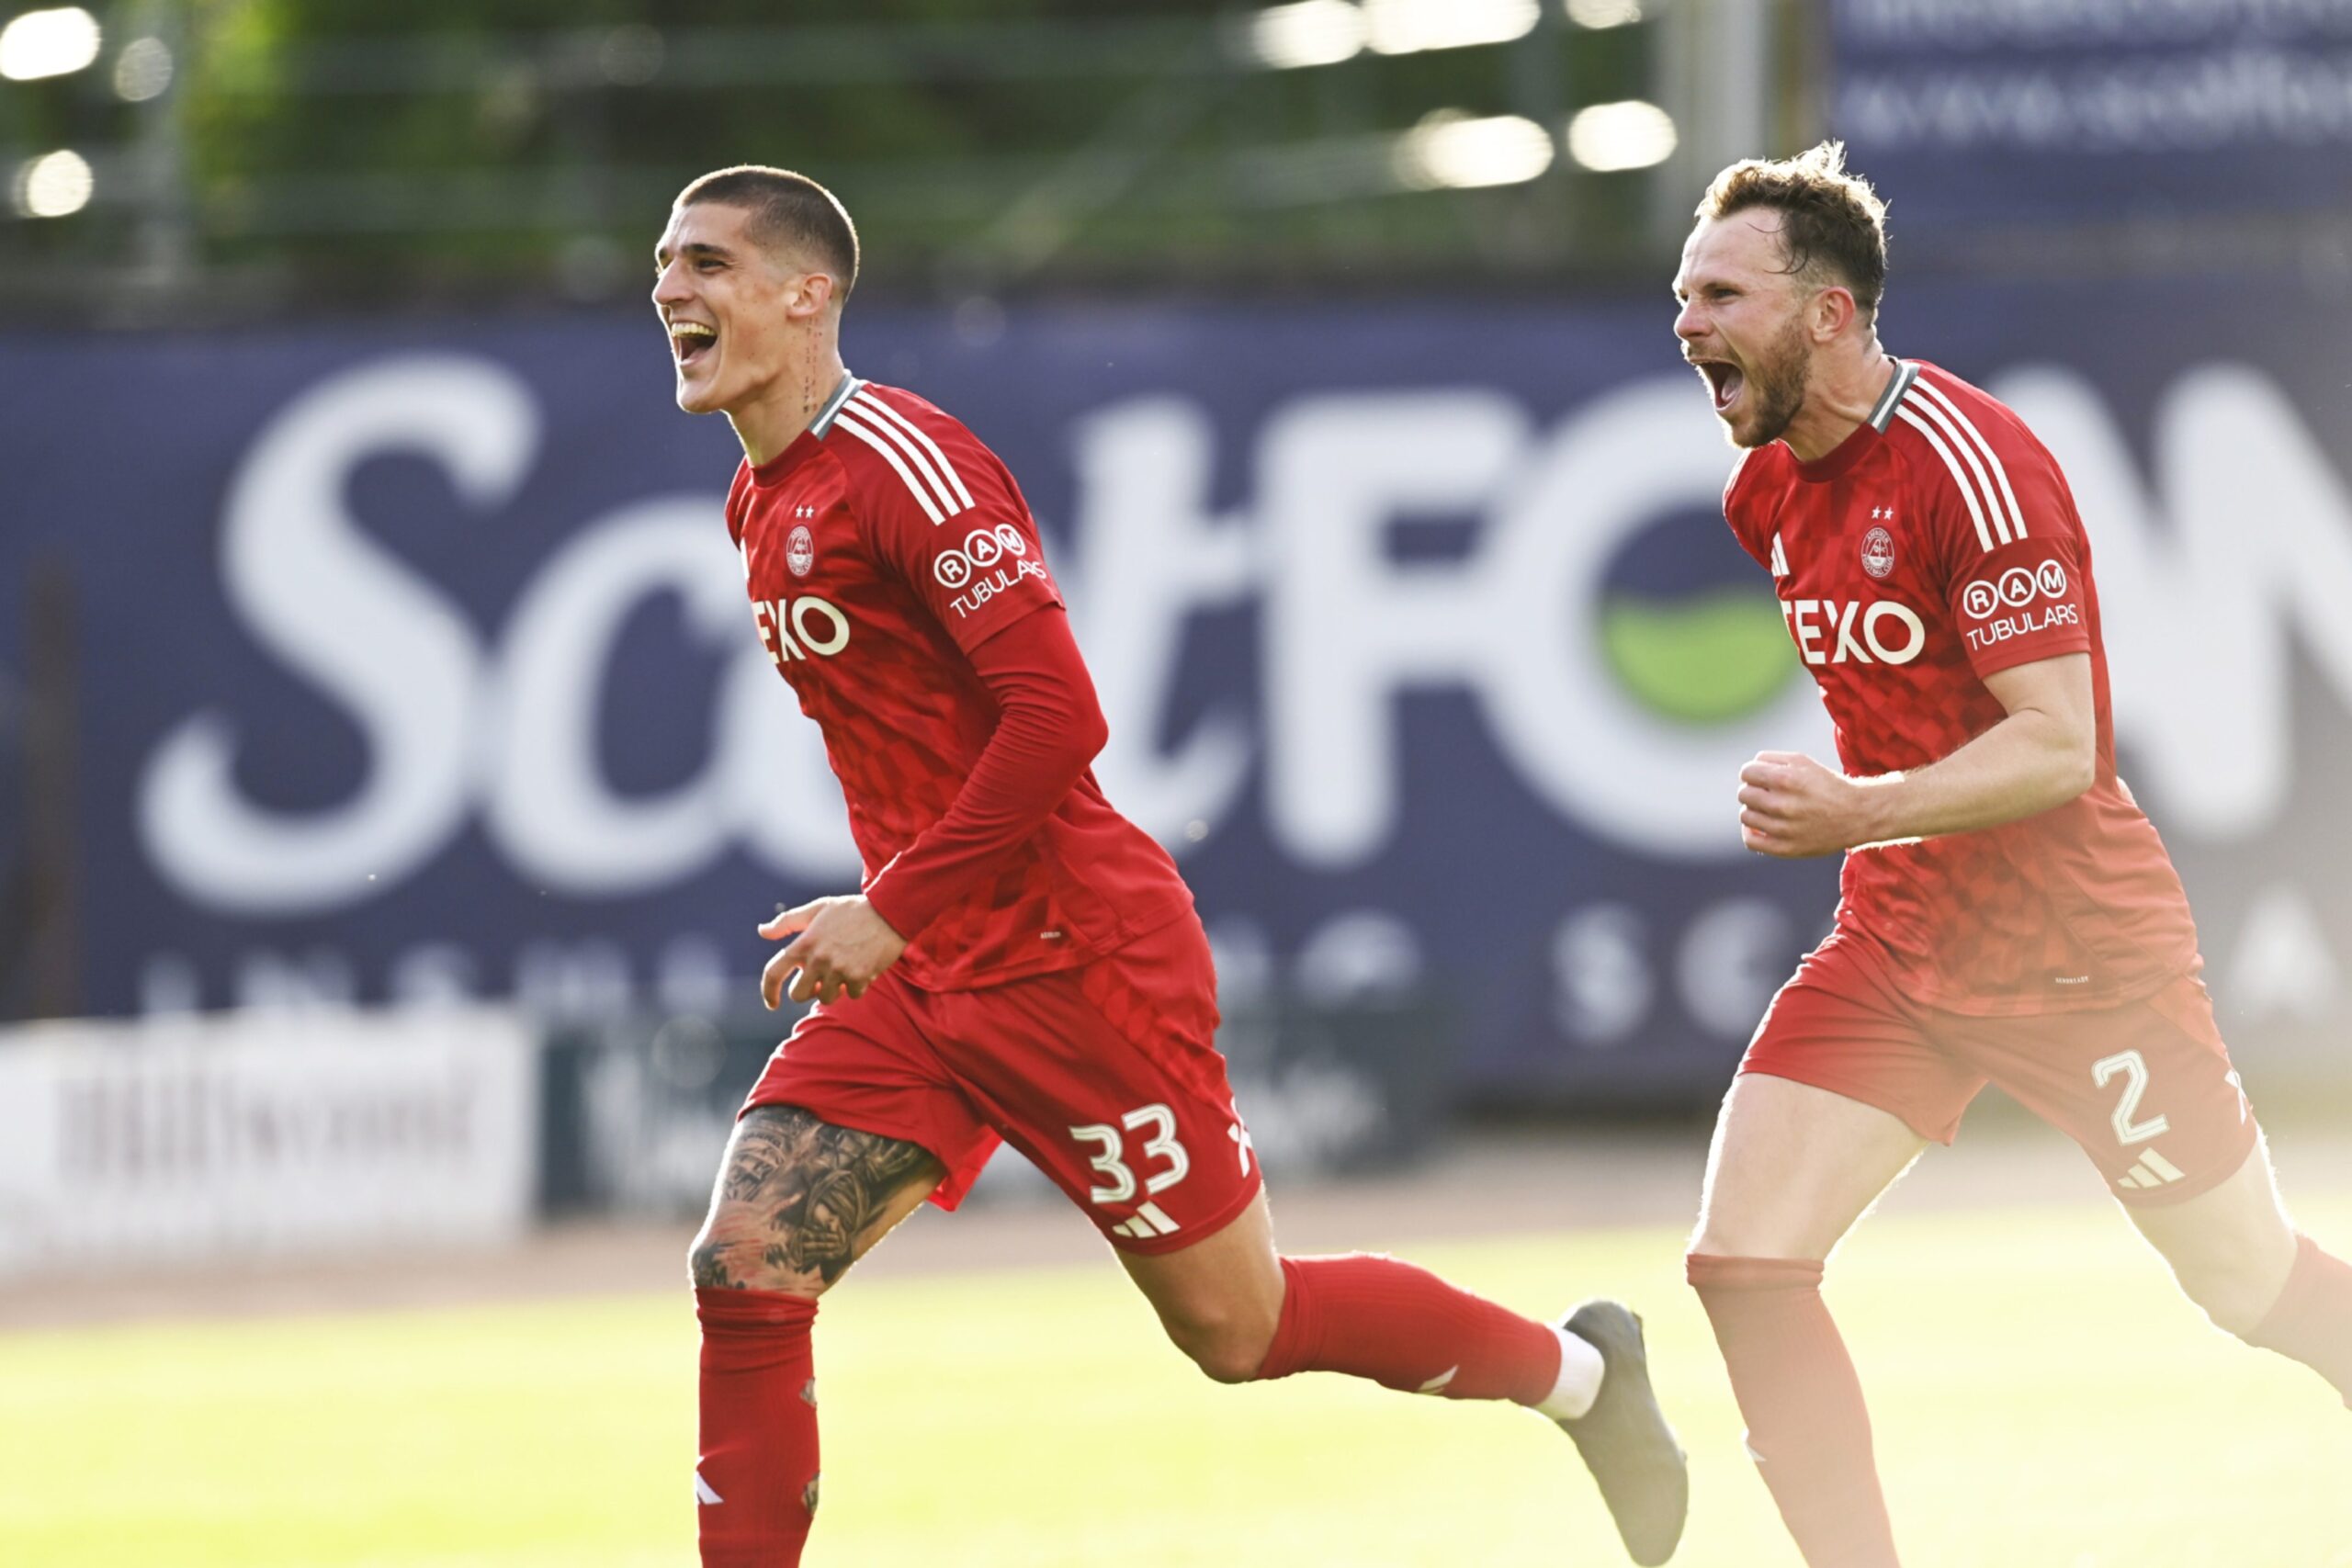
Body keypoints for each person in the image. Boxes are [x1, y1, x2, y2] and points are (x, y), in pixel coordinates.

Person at [655, 164, 1688, 1568]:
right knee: (749, 1265)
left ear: (806, 290)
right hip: (931, 976)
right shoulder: (760, 500)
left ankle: (1581, 1377)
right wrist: (907, 921)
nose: (671, 288)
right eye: (666, 263)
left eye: (709, 263)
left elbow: (1060, 719)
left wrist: (890, 905)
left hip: (1077, 964)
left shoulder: (904, 466)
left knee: (1239, 1330)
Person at [1671, 141, 2352, 1565]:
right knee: (1743, 1263)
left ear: (1830, 313)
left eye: (1724, 294)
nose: (1690, 325)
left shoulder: (1970, 466)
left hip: (2080, 958)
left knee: (2247, 1282)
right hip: (1906, 942)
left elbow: (2059, 746)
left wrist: (1854, 810)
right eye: (1684, 294)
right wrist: (1876, 837)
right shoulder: (1767, 494)